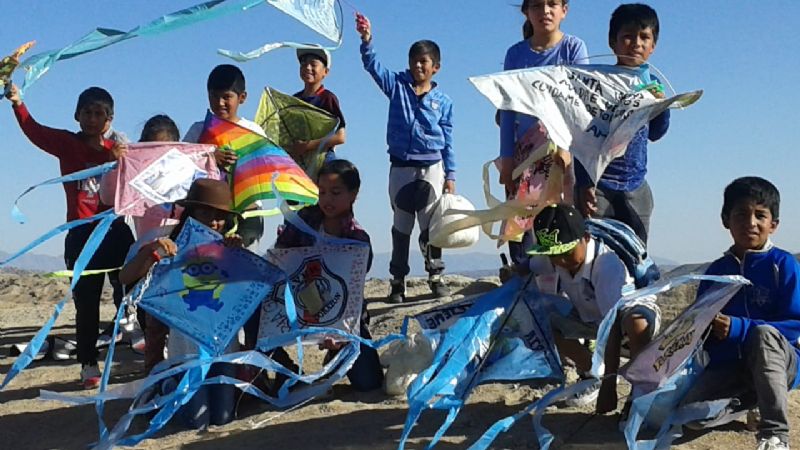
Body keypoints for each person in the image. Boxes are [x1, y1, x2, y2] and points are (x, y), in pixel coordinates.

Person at [6, 83, 134, 389]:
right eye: (87, 112)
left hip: (114, 230)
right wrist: (17, 103)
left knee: (130, 285)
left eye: (99, 113)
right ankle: (88, 362)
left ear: (110, 119)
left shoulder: (122, 151)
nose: (92, 118)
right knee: (86, 303)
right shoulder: (66, 144)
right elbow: (34, 130)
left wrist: (119, 158)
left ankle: (134, 330)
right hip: (80, 235)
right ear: (76, 116)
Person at [681, 177, 799, 450]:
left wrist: (738, 327)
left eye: (760, 215)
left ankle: (775, 434)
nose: (751, 222)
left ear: (774, 224)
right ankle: (754, 399)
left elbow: (796, 324)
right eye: (741, 214)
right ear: (726, 220)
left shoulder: (783, 265)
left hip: (781, 363)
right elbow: (700, 326)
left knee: (763, 334)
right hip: (732, 366)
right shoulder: (715, 272)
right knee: (691, 417)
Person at [119, 178, 244, 429]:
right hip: (185, 350)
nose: (213, 221)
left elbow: (246, 290)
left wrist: (238, 255)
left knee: (223, 419)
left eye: (219, 215)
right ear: (191, 212)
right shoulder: (169, 244)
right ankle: (165, 387)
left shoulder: (230, 246)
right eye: (205, 212)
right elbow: (125, 276)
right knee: (196, 421)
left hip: (224, 349)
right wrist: (152, 251)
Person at [356, 13, 455, 303]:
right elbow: (372, 67)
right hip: (400, 167)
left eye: (424, 61)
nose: (418, 65)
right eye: (414, 60)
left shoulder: (444, 102)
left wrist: (451, 175)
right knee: (401, 226)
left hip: (432, 168)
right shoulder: (396, 86)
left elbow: (449, 141)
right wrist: (366, 41)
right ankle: (397, 283)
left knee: (430, 227)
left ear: (435, 67)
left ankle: (435, 277)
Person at [528, 203, 660, 414]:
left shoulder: (607, 265)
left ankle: (640, 392)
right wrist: (513, 273)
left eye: (566, 253)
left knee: (636, 321)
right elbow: (530, 268)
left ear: (586, 238)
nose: (560, 261)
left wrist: (610, 387)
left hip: (623, 321)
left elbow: (613, 325)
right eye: (553, 254)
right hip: (591, 320)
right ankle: (591, 372)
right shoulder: (555, 257)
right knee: (537, 318)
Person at [271, 159, 384, 391]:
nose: (327, 199)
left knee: (369, 383)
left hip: (340, 313)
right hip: (297, 305)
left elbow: (353, 292)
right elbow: (280, 260)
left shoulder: (358, 240)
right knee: (258, 316)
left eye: (335, 192)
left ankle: (337, 355)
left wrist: (341, 331)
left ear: (353, 194)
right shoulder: (302, 221)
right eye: (322, 192)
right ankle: (286, 370)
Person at [499, 0, 588, 266]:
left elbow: (578, 103)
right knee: (525, 223)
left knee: (563, 219)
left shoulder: (573, 48)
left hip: (564, 151)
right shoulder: (515, 54)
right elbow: (507, 108)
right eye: (537, 5)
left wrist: (564, 146)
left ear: (565, 10)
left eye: (552, 4)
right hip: (526, 153)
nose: (545, 11)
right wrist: (506, 158)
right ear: (526, 11)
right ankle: (530, 279)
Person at [575, 3, 669, 245]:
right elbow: (581, 136)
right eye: (627, 36)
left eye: (644, 37)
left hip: (636, 184)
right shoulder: (596, 82)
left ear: (653, 46)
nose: (636, 43)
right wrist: (584, 183)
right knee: (594, 251)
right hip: (598, 184)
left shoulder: (653, 83)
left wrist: (662, 107)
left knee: (637, 252)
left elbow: (656, 134)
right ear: (612, 42)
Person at [183, 64, 265, 249]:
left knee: (237, 259)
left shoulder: (254, 132)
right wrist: (210, 157)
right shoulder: (198, 129)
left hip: (246, 211)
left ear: (242, 98)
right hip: (207, 214)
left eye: (226, 97)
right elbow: (180, 162)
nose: (220, 103)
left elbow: (266, 170)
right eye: (214, 96)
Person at [292, 47, 346, 162]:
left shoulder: (327, 98)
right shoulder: (294, 100)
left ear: (325, 72)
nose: (307, 68)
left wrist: (308, 145)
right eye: (303, 64)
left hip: (323, 158)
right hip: (300, 159)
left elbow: (340, 136)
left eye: (313, 64)